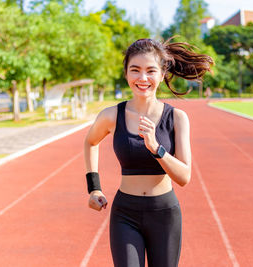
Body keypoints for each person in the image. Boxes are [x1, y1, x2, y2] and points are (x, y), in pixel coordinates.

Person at [83, 38, 213, 267]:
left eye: (150, 71)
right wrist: (94, 188)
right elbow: (90, 142)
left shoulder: (177, 118)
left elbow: (184, 177)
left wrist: (156, 148)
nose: (142, 78)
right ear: (126, 74)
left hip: (164, 214)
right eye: (135, 70)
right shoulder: (111, 116)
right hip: (125, 214)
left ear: (162, 75)